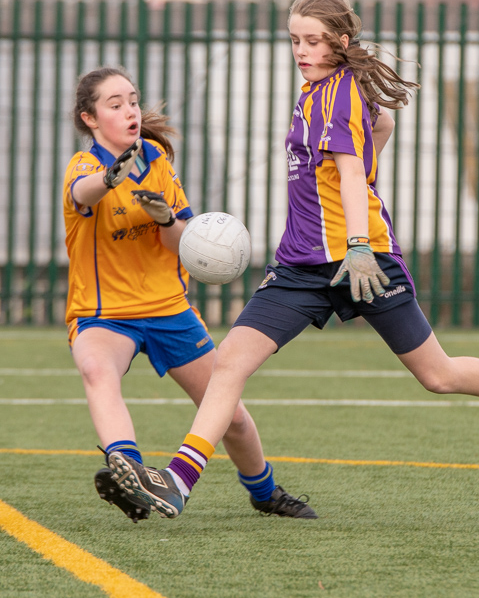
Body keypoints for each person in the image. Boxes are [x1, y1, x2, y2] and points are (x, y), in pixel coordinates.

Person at [106, 0, 479, 519]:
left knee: (438, 375)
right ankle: (177, 484)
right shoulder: (314, 92)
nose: (300, 50)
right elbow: (383, 128)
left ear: (340, 42)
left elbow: (351, 173)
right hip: (301, 265)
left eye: (312, 41)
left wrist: (357, 246)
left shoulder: (341, 93)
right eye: (294, 40)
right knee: (228, 363)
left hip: (362, 261)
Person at [65, 65, 315, 521]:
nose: (130, 111)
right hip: (105, 314)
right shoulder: (85, 168)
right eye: (115, 105)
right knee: (97, 370)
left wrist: (165, 219)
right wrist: (111, 179)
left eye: (133, 101)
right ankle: (131, 472)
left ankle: (265, 493)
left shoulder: (157, 160)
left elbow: (181, 243)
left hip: (168, 309)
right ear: (90, 119)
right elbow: (83, 193)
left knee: (231, 415)